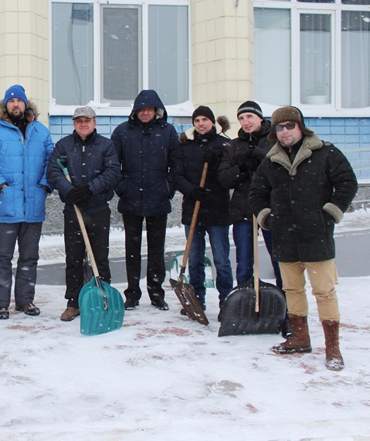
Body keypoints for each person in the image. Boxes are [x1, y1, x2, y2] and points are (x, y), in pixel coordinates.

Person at [249, 106, 357, 371]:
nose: (285, 132)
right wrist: (267, 217)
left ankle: (332, 347)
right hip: (285, 238)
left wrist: (330, 213)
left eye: (289, 126)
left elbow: (347, 182)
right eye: (279, 128)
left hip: (316, 236)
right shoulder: (271, 160)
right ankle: (300, 337)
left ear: (300, 127)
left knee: (324, 291)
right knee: (292, 289)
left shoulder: (325, 153)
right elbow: (256, 193)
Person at [0, 85, 54, 320]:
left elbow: (52, 161)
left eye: (19, 101)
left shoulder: (41, 131)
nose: (15, 105)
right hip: (6, 205)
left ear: (26, 104)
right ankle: (1, 302)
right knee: (2, 256)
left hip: (33, 205)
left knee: (29, 257)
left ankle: (25, 300)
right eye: (11, 101)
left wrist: (45, 184)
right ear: (5, 105)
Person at [47, 106, 121, 322]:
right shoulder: (64, 146)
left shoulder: (106, 145)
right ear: (74, 123)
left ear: (94, 122)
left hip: (98, 208)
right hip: (73, 210)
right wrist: (70, 191)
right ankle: (73, 302)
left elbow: (113, 172)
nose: (83, 124)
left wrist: (90, 189)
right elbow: (53, 171)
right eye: (79, 121)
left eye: (87, 120)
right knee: (74, 257)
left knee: (100, 257)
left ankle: (103, 297)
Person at [111, 89, 179, 311]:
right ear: (135, 111)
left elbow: (176, 165)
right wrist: (122, 188)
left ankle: (156, 293)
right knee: (132, 249)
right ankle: (132, 293)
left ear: (157, 111)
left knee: (156, 250)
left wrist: (168, 188)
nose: (146, 113)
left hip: (158, 200)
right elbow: (113, 165)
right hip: (131, 200)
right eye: (142, 109)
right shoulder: (122, 132)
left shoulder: (168, 132)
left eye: (150, 109)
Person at [175, 106, 233, 320]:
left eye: (205, 120)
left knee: (221, 259)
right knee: (195, 258)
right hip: (193, 210)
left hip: (217, 209)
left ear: (213, 122)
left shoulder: (225, 145)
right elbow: (177, 175)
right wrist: (191, 190)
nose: (201, 124)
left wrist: (217, 157)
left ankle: (226, 300)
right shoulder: (185, 147)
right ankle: (197, 298)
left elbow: (230, 175)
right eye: (197, 120)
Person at [218, 101, 282, 289]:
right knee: (244, 263)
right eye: (241, 118)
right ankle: (245, 304)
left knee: (280, 260)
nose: (245, 122)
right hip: (243, 209)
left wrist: (259, 156)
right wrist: (242, 169)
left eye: (249, 117)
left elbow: (281, 171)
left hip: (271, 209)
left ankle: (287, 307)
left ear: (260, 118)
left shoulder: (275, 141)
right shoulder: (233, 146)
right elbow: (224, 178)